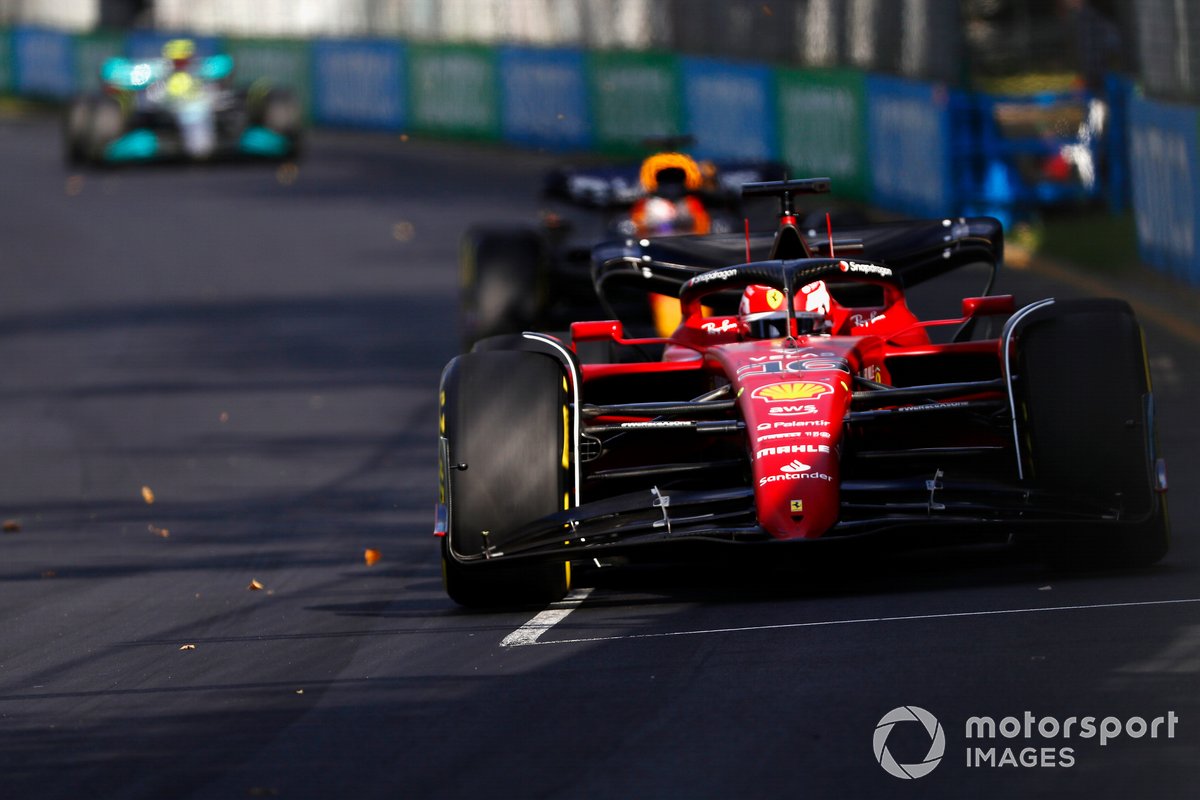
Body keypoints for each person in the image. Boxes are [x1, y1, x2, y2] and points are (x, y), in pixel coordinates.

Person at [629, 152, 712, 237]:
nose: (672, 188)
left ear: (683, 185)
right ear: (658, 185)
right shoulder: (646, 205)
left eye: (676, 183)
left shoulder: (692, 203)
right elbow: (637, 229)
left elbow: (702, 228)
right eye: (666, 183)